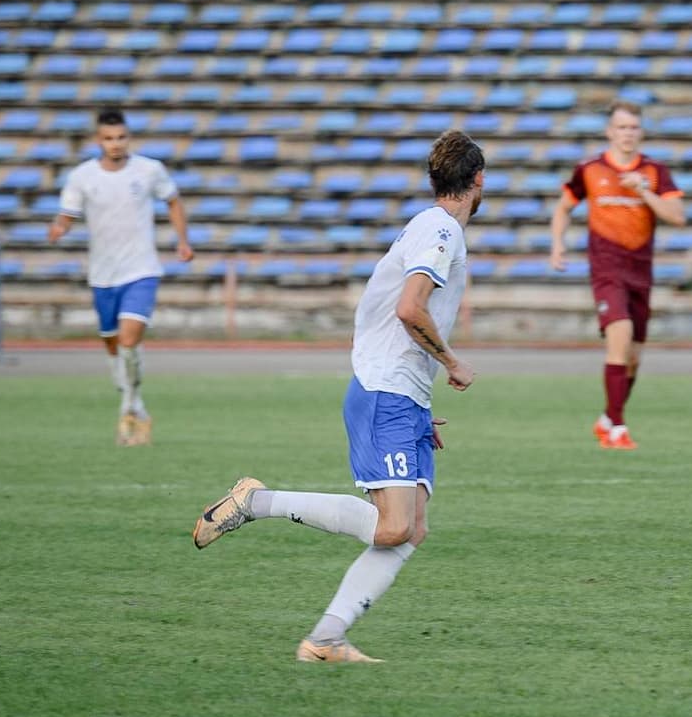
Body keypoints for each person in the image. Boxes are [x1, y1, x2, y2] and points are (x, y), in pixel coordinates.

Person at [190, 131, 484, 664]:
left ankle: (326, 639)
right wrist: (452, 363)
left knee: (411, 529)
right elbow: (409, 308)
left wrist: (419, 403)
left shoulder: (429, 227)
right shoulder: (441, 229)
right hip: (384, 390)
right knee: (394, 525)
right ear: (479, 181)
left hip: (401, 394)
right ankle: (255, 501)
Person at [47, 107, 193, 446]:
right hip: (103, 273)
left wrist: (182, 241)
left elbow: (173, 201)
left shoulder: (148, 170)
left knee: (129, 338)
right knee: (113, 344)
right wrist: (59, 228)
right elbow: (67, 214)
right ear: (99, 140)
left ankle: (129, 403)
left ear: (129, 138)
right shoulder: (83, 177)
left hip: (141, 269)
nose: (116, 143)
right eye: (109, 138)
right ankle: (134, 400)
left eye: (121, 137)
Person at [550, 100, 685, 451]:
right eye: (621, 127)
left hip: (641, 271)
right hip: (607, 268)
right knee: (620, 336)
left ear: (640, 132)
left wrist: (643, 191)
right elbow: (563, 208)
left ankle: (609, 417)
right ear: (610, 131)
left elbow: (677, 215)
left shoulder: (655, 172)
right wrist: (557, 245)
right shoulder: (590, 169)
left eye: (633, 127)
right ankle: (617, 429)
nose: (627, 133)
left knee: (635, 355)